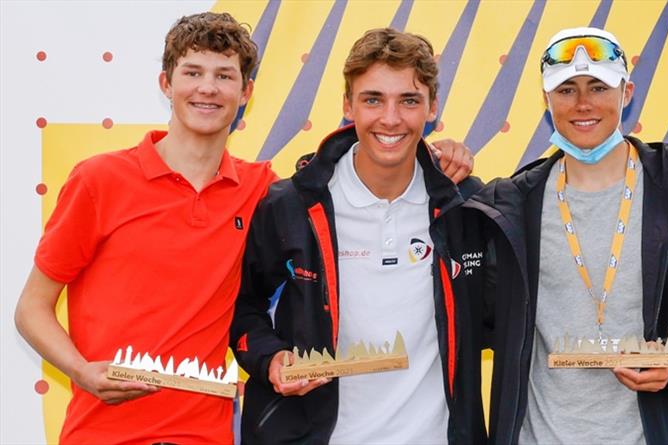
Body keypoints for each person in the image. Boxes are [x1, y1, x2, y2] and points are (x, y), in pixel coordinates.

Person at [13, 12, 474, 444]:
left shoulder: (263, 192)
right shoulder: (99, 180)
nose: (207, 89)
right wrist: (82, 371)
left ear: (246, 92)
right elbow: (31, 309)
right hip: (102, 432)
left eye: (224, 76)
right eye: (193, 73)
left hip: (206, 434)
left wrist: (439, 155)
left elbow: (251, 305)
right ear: (165, 84)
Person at [466, 27, 668, 444]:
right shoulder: (510, 204)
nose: (582, 104)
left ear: (627, 92)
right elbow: (479, 319)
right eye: (566, 90)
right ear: (546, 100)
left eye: (598, 87)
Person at [230, 28, 487, 444]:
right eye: (373, 99)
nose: (390, 118)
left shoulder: (466, 206)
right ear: (348, 105)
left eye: (408, 100)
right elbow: (245, 308)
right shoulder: (291, 205)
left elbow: (504, 315)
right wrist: (270, 359)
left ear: (432, 107)